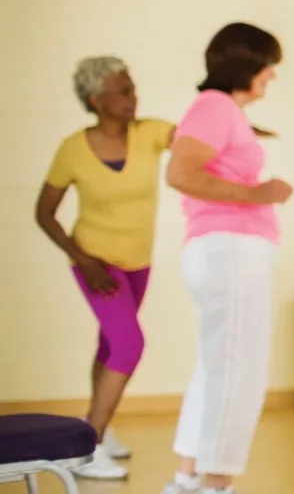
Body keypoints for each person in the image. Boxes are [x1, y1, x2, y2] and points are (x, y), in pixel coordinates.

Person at [163, 23, 291, 494]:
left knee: (217, 365)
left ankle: (189, 476)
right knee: (238, 368)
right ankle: (216, 484)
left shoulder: (220, 109)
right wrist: (258, 193)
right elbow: (180, 171)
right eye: (267, 66)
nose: (272, 75)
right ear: (246, 65)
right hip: (230, 250)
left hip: (221, 250)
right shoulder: (215, 106)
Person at [34, 56, 174, 480]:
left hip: (138, 265)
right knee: (129, 344)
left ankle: (101, 427)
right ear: (97, 99)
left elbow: (200, 137)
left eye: (133, 88)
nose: (134, 97)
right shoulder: (73, 149)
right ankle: (86, 446)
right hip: (96, 263)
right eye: (124, 90)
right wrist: (83, 259)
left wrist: (239, 126)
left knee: (111, 346)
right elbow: (44, 213)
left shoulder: (150, 133)